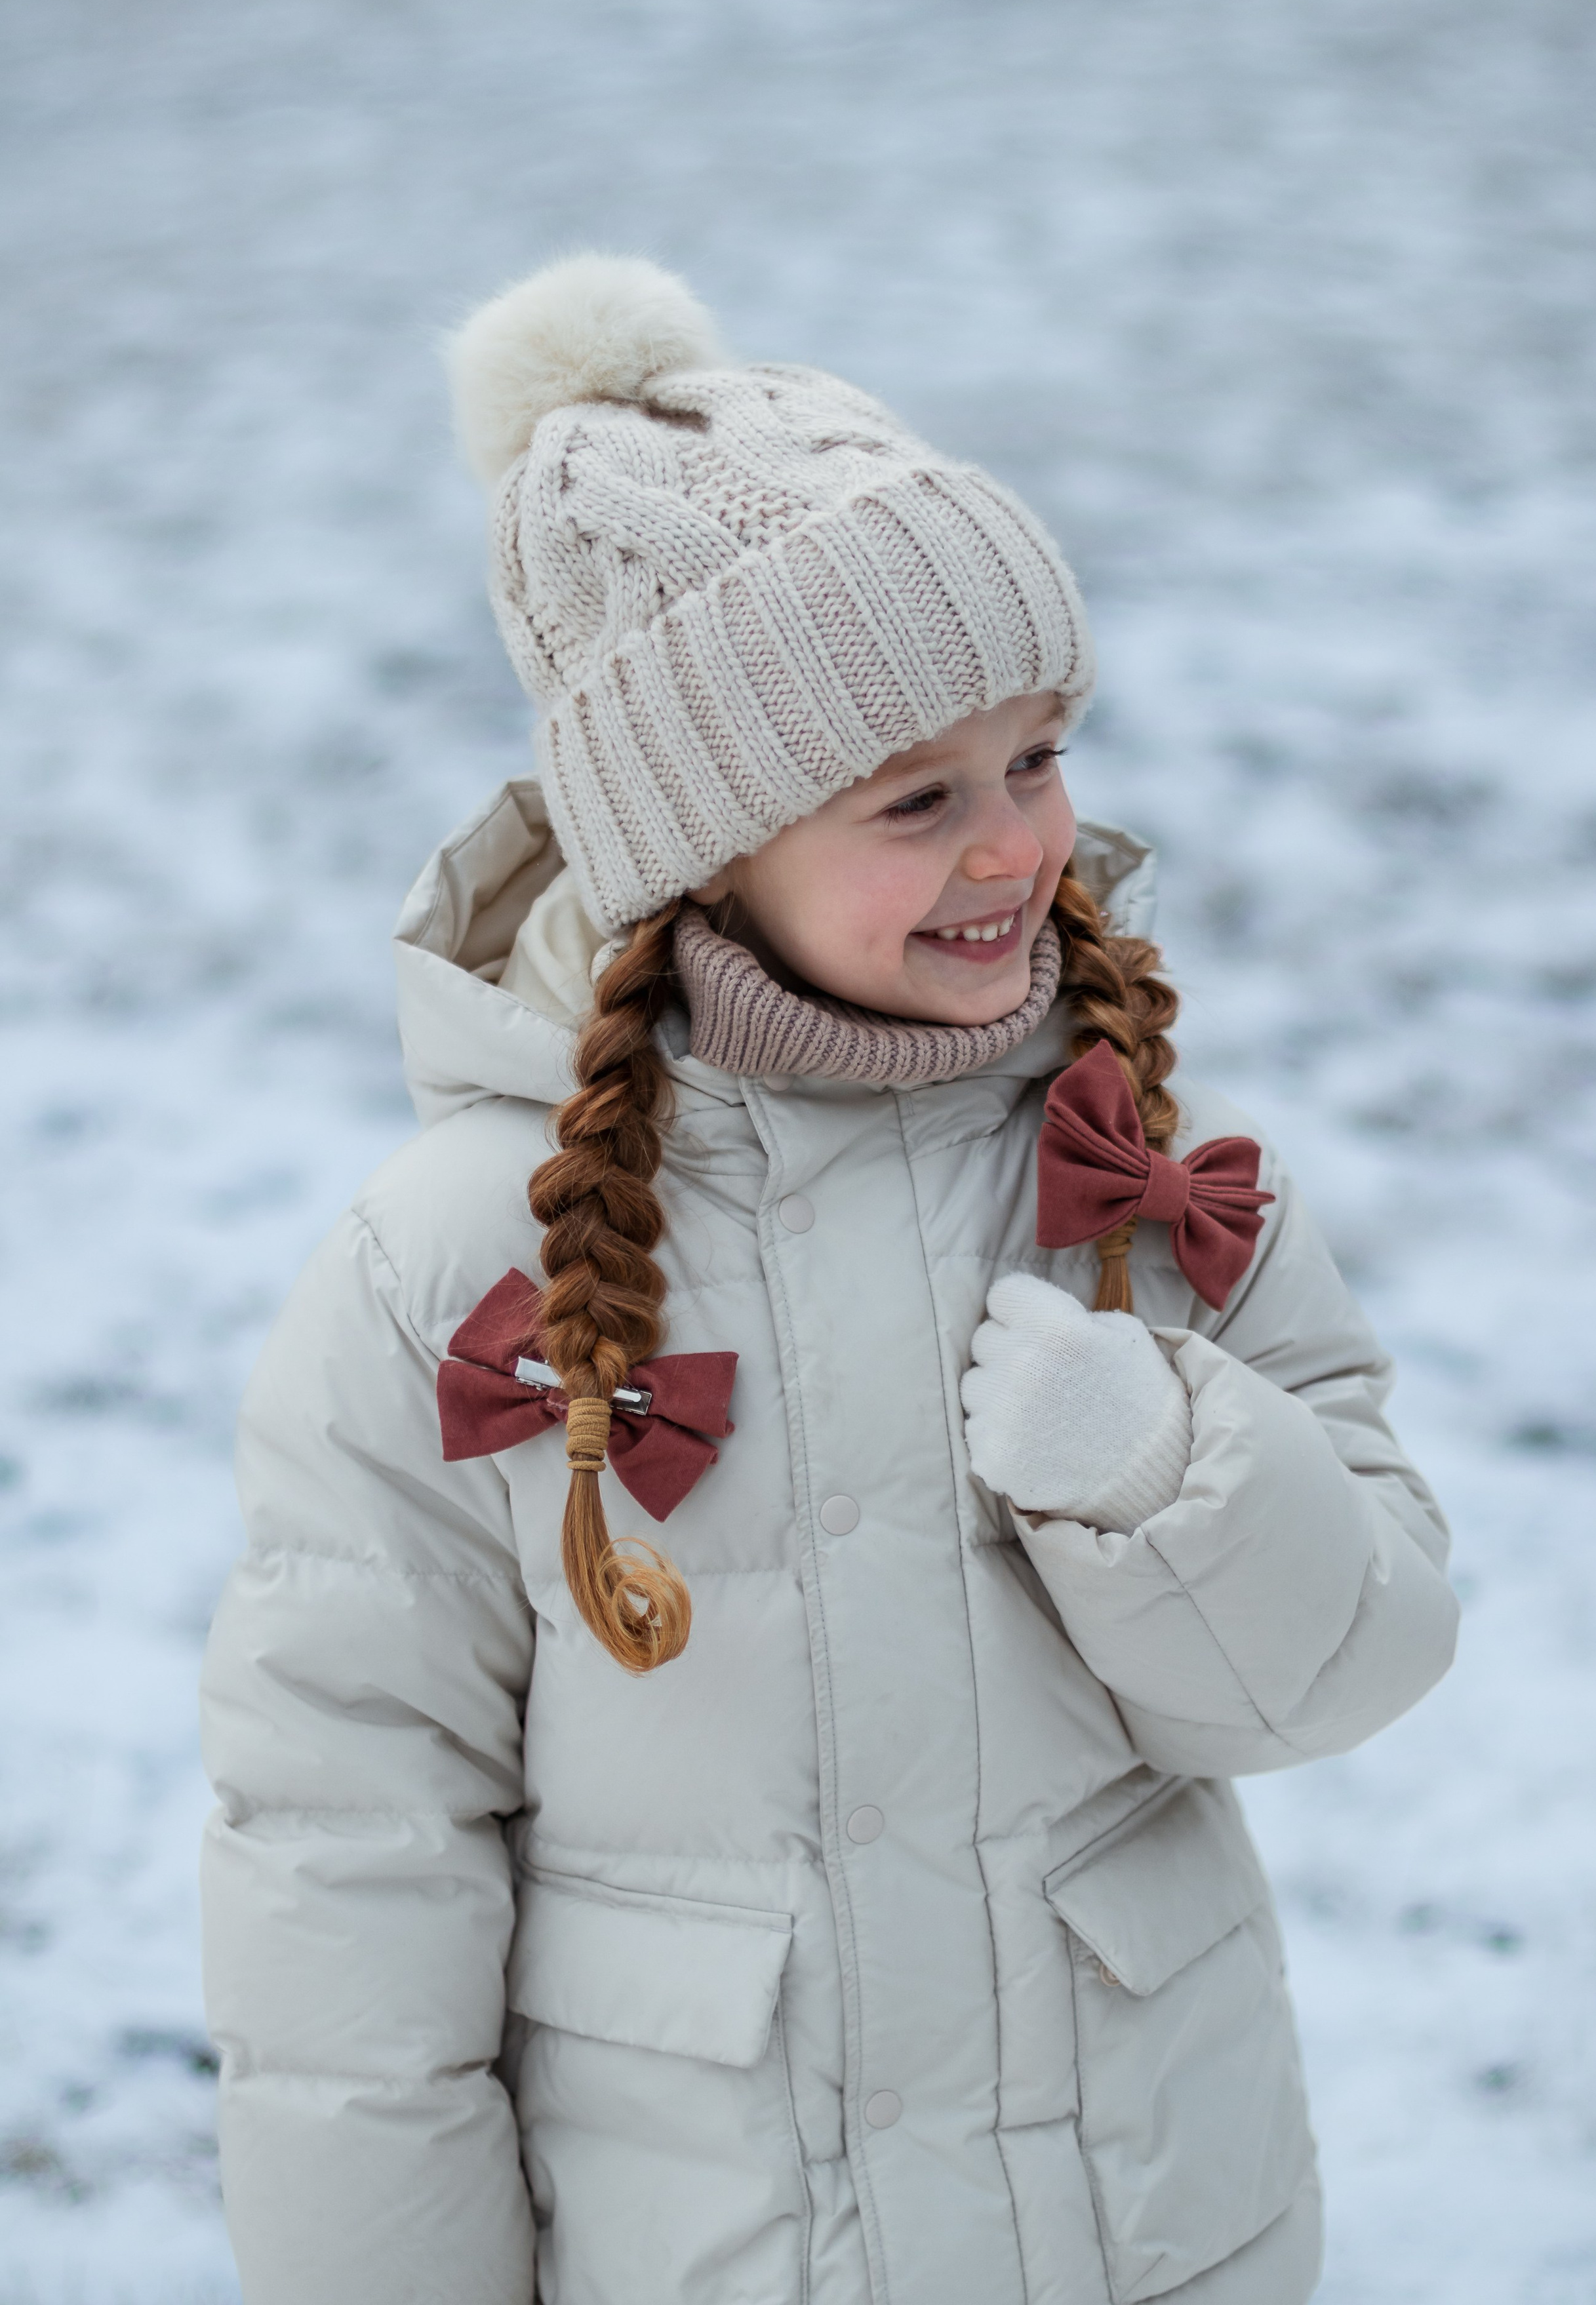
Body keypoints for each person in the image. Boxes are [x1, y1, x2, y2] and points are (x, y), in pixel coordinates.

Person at [200, 254, 1458, 2305]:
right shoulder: (446, 1265)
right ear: (707, 845)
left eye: (1038, 758)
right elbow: (345, 1878)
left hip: (1141, 2228)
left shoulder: (1139, 1159)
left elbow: (1355, 1666)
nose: (1013, 849)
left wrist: (1163, 1476)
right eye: (918, 798)